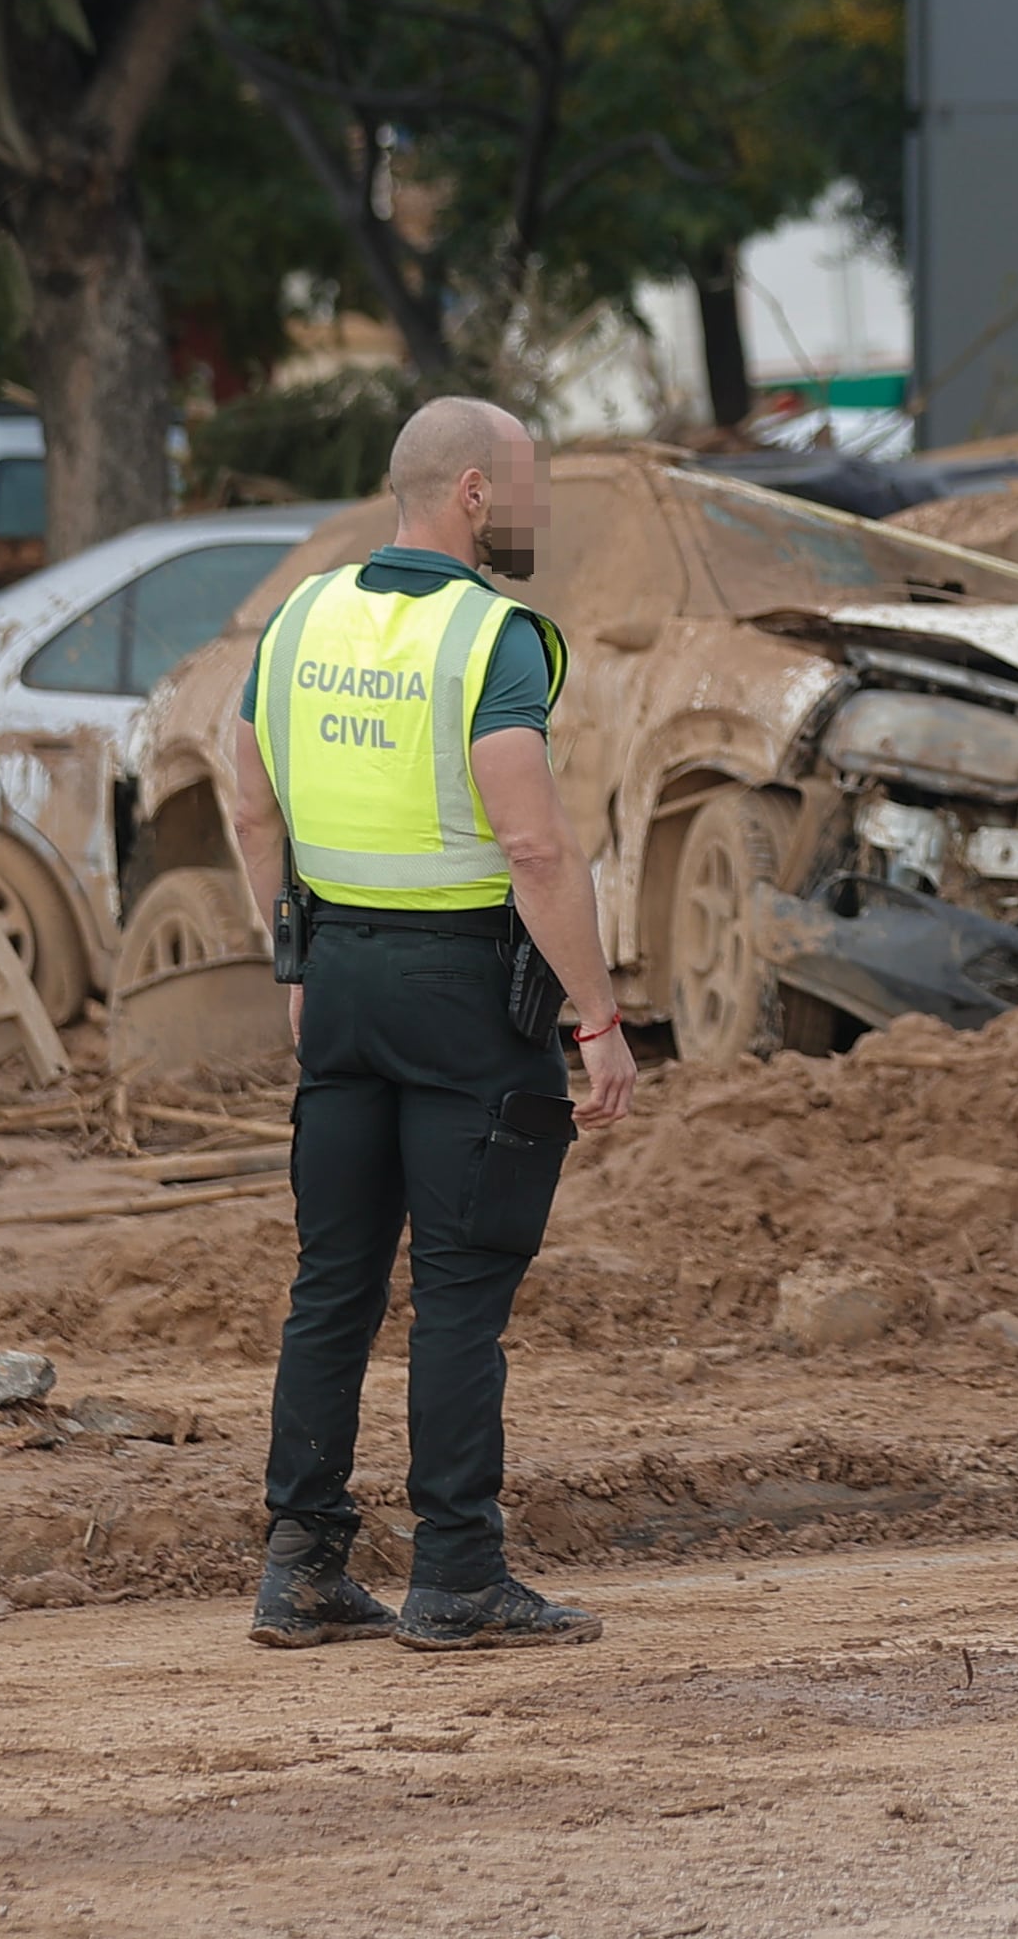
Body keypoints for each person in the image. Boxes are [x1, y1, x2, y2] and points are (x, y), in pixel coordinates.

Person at [228, 395, 636, 1654]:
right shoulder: (491, 636)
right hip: (466, 993)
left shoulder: (302, 616)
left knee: (332, 1283)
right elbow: (531, 841)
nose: (538, 509)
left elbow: (246, 798)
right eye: (525, 487)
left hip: (340, 978)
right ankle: (454, 1573)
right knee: (460, 1292)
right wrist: (599, 1017)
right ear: (470, 491)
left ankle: (299, 1569)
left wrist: (296, 955)